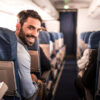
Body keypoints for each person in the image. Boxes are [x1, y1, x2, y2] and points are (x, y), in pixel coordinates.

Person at [15, 10, 43, 99]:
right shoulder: (21, 52)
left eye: (38, 30)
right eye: (31, 28)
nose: (35, 34)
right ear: (18, 26)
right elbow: (28, 94)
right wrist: (36, 83)